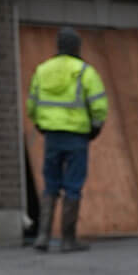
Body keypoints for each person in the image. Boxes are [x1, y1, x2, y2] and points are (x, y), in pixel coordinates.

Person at [26, 27, 108, 253]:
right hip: (76, 137)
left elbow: (32, 104)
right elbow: (99, 105)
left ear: (58, 46)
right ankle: (67, 240)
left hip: (51, 135)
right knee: (73, 185)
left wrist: (40, 123)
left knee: (51, 184)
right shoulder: (84, 71)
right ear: (76, 47)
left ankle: (42, 237)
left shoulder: (42, 70)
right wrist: (96, 127)